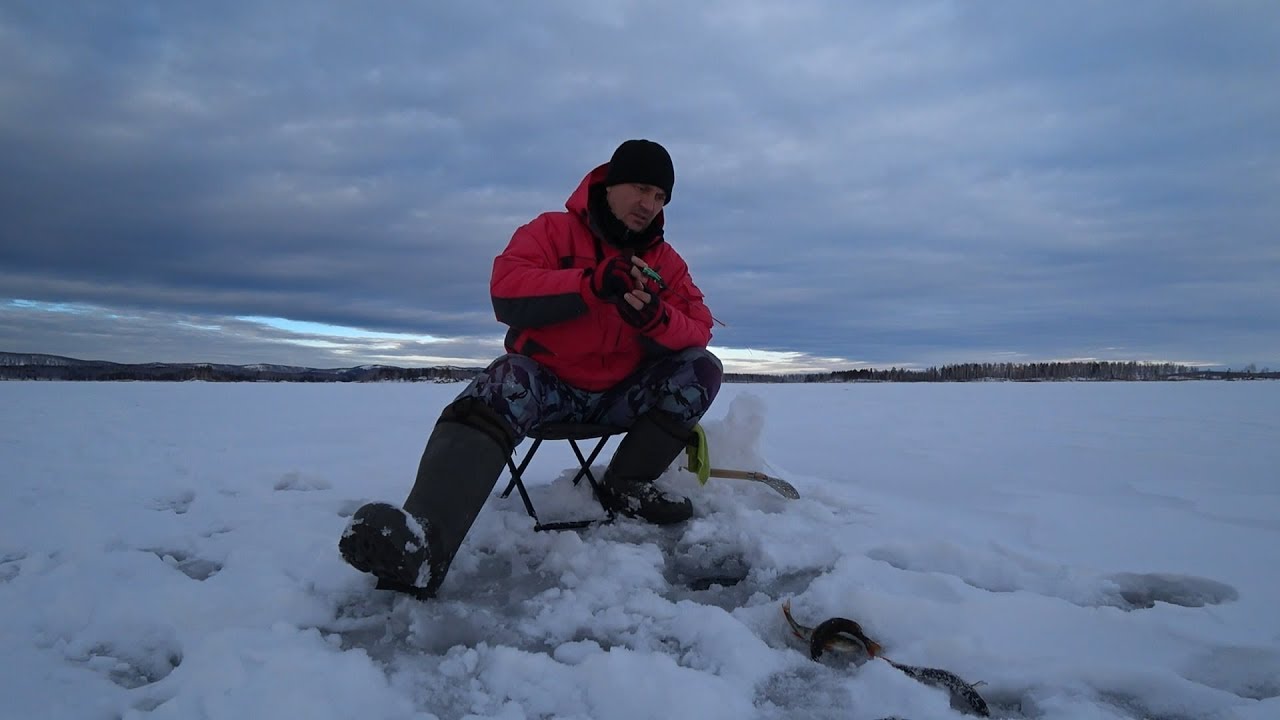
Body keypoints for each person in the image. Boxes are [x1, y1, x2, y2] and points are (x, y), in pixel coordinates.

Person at [340, 139, 723, 598]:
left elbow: (699, 327)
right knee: (504, 380)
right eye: (641, 188)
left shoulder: (667, 263)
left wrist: (658, 320)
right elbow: (506, 289)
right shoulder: (550, 233)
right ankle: (422, 543)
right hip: (547, 388)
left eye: (660, 197)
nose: (650, 204)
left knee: (701, 368)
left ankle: (628, 484)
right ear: (609, 183)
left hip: (623, 392)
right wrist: (590, 283)